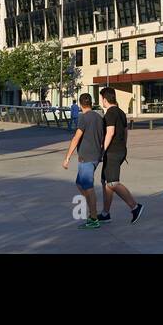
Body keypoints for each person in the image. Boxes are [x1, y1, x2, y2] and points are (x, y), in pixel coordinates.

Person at [97, 87, 144, 224]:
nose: (102, 101)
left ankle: (135, 207)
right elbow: (125, 132)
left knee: (112, 182)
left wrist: (102, 151)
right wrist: (123, 147)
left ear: (105, 99)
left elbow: (110, 132)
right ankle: (105, 213)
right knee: (106, 182)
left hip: (112, 152)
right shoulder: (121, 113)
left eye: (101, 99)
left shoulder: (110, 113)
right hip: (120, 150)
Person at [62, 93, 104, 229]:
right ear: (91, 103)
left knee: (88, 187)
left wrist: (67, 157)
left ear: (80, 104)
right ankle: (93, 209)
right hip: (94, 156)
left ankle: (93, 218)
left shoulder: (83, 118)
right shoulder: (99, 117)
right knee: (80, 184)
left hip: (87, 157)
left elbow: (76, 137)